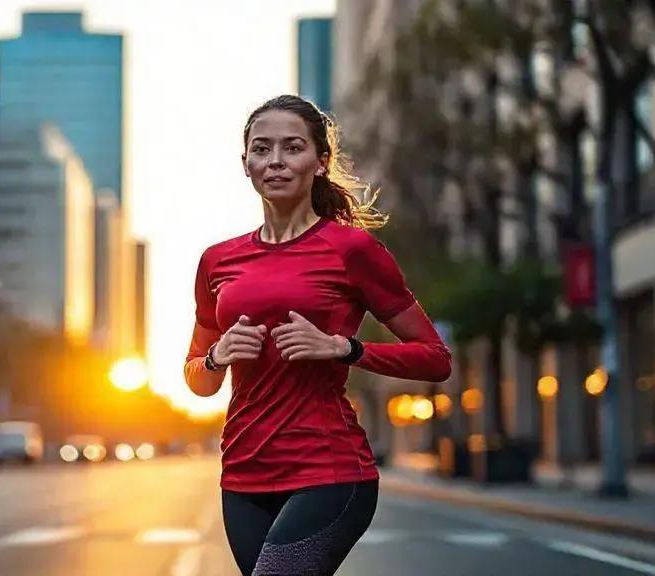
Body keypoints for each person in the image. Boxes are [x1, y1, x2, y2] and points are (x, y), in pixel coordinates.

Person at [184, 94, 453, 576]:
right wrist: (216, 357)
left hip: (328, 470)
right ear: (245, 163)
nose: (275, 161)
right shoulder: (216, 261)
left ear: (320, 161)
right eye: (261, 149)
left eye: (292, 148)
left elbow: (436, 359)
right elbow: (199, 380)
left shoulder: (353, 250)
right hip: (243, 474)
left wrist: (346, 349)